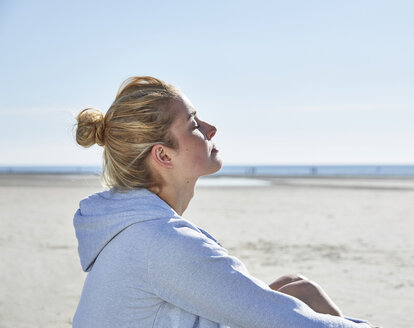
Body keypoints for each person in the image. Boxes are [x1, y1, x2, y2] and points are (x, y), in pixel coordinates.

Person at [73, 76, 377, 328]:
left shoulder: (132, 226)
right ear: (163, 155)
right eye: (193, 124)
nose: (210, 129)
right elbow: (289, 322)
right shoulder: (162, 242)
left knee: (297, 288)